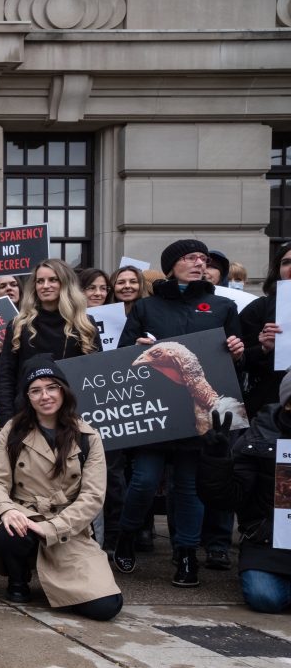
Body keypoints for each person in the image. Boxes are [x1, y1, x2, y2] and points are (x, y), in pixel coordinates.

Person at [113, 239, 245, 586]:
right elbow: (123, 354)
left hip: (197, 418)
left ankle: (186, 555)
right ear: (172, 266)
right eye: (191, 257)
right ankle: (126, 536)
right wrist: (136, 348)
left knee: (188, 487)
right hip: (156, 415)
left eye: (204, 258)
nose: (200, 263)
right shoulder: (146, 307)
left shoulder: (222, 306)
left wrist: (237, 351)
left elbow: (236, 362)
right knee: (143, 481)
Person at [0, 356, 121, 620]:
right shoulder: (12, 431)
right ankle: (18, 579)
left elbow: (92, 496)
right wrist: (7, 510)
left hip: (68, 527)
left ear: (63, 391)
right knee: (8, 532)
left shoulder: (88, 436)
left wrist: (52, 528)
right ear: (27, 397)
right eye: (36, 390)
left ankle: (63, 578)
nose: (45, 396)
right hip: (24, 515)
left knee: (107, 607)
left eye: (52, 387)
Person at [199, 371, 291, 612]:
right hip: (268, 542)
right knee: (265, 597)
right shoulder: (261, 435)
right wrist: (216, 460)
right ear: (288, 403)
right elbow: (229, 497)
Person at [0, 260, 97, 423]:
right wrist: (7, 421)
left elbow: (95, 375)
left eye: (53, 280)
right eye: (40, 281)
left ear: (65, 283)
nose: (45, 286)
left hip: (73, 416)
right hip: (27, 417)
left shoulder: (85, 324)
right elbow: (6, 378)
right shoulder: (18, 324)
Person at [239, 240, 291, 412]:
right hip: (271, 405)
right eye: (286, 262)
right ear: (278, 270)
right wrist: (263, 349)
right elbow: (237, 360)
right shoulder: (259, 308)